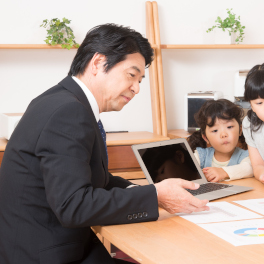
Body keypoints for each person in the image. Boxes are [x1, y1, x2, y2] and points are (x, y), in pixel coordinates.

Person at [0, 24, 209, 264]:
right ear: (98, 63)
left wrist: (145, 191)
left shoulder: (63, 100)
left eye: (140, 80)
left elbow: (92, 178)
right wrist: (156, 196)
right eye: (132, 75)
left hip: (59, 245)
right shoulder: (68, 111)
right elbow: (73, 205)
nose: (137, 88)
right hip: (47, 254)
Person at [187, 99, 253, 182]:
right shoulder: (201, 156)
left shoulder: (244, 156)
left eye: (229, 127)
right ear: (206, 138)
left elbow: (250, 168)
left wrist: (223, 172)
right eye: (215, 131)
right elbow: (185, 168)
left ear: (240, 130)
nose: (223, 135)